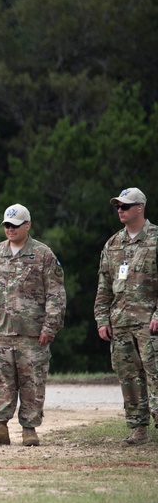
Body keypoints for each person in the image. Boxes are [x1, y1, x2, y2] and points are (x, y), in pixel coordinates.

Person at [0, 204, 66, 447]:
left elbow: (55, 294)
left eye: (15, 225)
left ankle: (29, 429)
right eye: (7, 225)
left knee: (32, 381)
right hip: (1, 331)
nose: (10, 229)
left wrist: (50, 326)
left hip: (32, 333)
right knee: (1, 381)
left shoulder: (43, 255)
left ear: (27, 225)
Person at [94, 188, 158, 447]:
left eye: (126, 206)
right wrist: (101, 319)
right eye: (118, 206)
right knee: (128, 378)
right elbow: (104, 285)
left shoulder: (155, 239)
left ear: (140, 207)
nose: (120, 210)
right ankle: (138, 429)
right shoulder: (113, 244)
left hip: (150, 323)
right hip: (120, 323)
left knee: (155, 374)